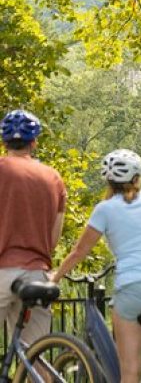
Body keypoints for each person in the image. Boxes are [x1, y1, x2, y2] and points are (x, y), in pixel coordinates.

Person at [51, 149, 141, 383]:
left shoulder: (105, 209)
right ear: (137, 177)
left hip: (134, 289)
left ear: (109, 181)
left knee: (130, 372)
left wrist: (56, 277)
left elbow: (80, 252)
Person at [0, 109, 66, 343]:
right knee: (37, 357)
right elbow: (54, 235)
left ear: (4, 141)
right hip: (38, 274)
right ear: (34, 142)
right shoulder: (53, 178)